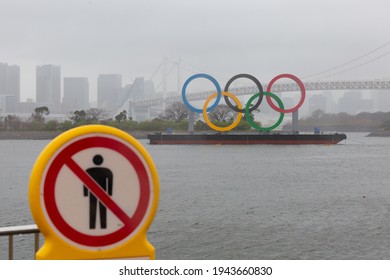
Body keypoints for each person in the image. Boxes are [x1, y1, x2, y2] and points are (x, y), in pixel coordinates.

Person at [83, 154, 113, 229]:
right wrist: (109, 193)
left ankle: (92, 226)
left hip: (92, 193)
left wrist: (86, 193)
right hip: (103, 194)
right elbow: (110, 183)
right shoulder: (107, 171)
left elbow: (85, 183)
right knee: (103, 211)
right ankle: (103, 226)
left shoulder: (88, 171)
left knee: (92, 211)